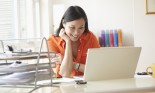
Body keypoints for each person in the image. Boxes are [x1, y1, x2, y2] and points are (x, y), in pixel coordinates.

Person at [48, 5, 100, 78]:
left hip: (87, 84)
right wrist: (68, 42)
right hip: (63, 86)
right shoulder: (52, 41)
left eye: (81, 28)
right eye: (72, 27)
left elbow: (97, 70)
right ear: (63, 23)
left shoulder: (91, 38)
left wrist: (72, 64)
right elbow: (65, 73)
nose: (76, 33)